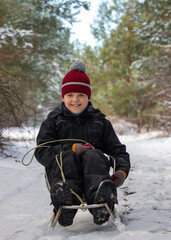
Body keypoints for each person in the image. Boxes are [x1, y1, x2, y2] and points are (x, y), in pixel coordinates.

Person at [35, 60, 130, 227]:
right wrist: (70, 148)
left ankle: (101, 201)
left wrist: (121, 171)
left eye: (81, 95)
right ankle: (65, 204)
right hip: (63, 179)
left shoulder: (100, 122)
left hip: (94, 179)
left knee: (93, 154)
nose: (75, 100)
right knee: (68, 157)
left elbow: (118, 150)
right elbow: (41, 152)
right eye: (70, 95)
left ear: (88, 97)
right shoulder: (53, 122)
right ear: (63, 97)